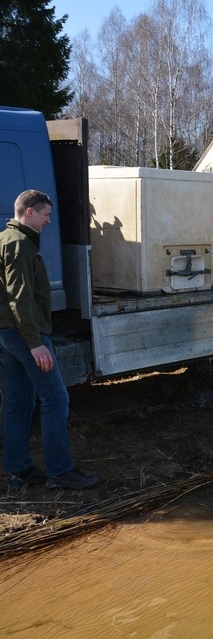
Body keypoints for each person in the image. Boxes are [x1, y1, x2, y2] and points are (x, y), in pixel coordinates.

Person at [1, 190, 100, 490]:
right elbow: (20, 298)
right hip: (24, 334)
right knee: (56, 399)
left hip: (8, 333)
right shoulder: (19, 245)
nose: (48, 222)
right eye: (46, 215)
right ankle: (60, 471)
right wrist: (35, 342)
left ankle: (20, 470)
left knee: (19, 401)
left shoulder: (7, 240)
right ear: (30, 212)